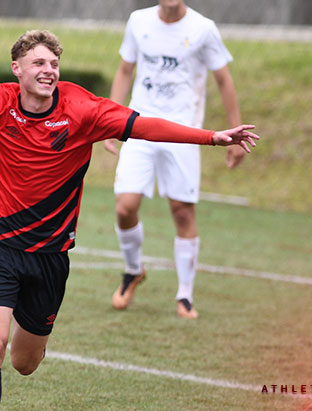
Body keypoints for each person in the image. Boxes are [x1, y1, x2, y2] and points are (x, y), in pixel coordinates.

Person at [0, 2, 258, 410]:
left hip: (50, 256)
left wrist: (211, 137)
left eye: (54, 63)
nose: (49, 70)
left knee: (24, 363)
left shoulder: (83, 111)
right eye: (39, 63)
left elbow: (146, 125)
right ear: (17, 69)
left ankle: (34, 339)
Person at [104, 0, 244, 319]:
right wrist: (111, 121)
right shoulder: (138, 21)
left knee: (182, 212)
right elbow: (125, 70)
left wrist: (234, 135)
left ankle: (185, 296)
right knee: (125, 207)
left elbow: (224, 79)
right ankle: (133, 271)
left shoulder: (203, 29)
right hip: (139, 127)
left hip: (183, 133)